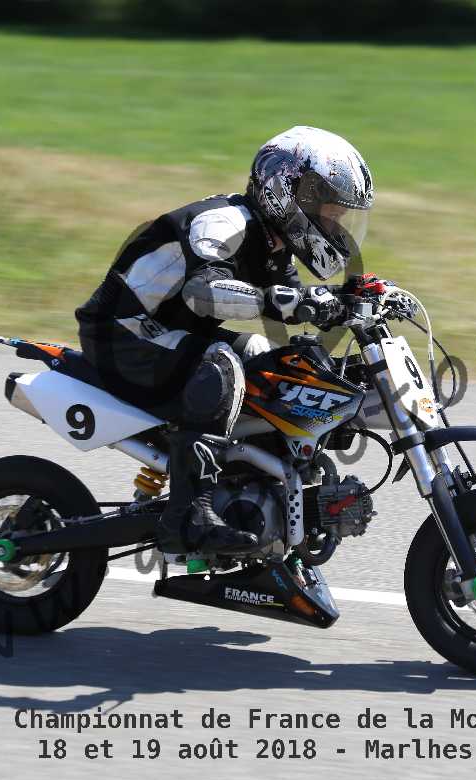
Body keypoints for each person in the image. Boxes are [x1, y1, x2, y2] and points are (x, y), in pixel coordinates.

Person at [76, 126, 375, 555]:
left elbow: (295, 305)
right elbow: (203, 293)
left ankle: (253, 488)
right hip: (121, 333)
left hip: (170, 335)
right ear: (289, 191)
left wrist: (351, 301)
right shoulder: (224, 222)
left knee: (269, 358)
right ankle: (189, 515)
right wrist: (292, 302)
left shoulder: (273, 243)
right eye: (330, 212)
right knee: (221, 365)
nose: (335, 225)